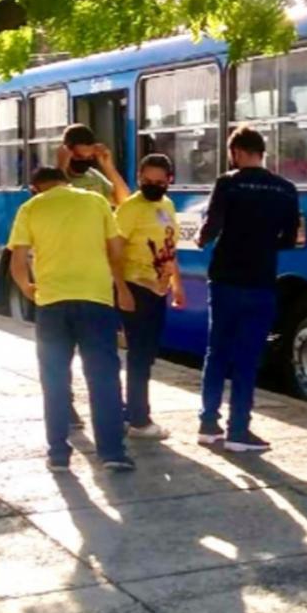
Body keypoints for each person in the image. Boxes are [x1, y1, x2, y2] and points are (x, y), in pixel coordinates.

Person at [8, 166, 135, 471]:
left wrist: (28, 288)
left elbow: (18, 260)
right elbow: (115, 249)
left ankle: (58, 453)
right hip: (95, 300)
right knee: (103, 377)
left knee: (54, 380)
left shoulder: (30, 207)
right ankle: (112, 453)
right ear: (65, 182)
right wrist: (120, 286)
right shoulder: (95, 201)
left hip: (52, 303)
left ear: (37, 188)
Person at [196, 126, 299, 452]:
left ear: (237, 152)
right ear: (261, 152)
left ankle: (208, 424)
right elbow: (289, 238)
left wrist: (202, 238)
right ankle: (239, 429)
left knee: (217, 352)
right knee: (247, 356)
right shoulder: (285, 189)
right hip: (260, 280)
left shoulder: (228, 183)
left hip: (225, 278)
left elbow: (211, 226)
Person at [115, 154, 186, 440]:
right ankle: (138, 419)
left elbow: (170, 249)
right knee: (140, 355)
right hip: (136, 286)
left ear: (170, 180)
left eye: (160, 181)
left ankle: (131, 413)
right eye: (147, 181)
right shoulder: (129, 209)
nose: (153, 186)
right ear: (139, 179)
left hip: (157, 289)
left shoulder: (166, 205)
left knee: (146, 354)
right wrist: (121, 290)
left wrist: (177, 285)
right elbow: (115, 253)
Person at [57, 123, 130, 206]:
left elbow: (124, 200)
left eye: (89, 157)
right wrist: (62, 167)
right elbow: (57, 202)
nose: (84, 161)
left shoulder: (93, 176)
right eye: (79, 157)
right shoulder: (51, 178)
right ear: (67, 152)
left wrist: (108, 166)